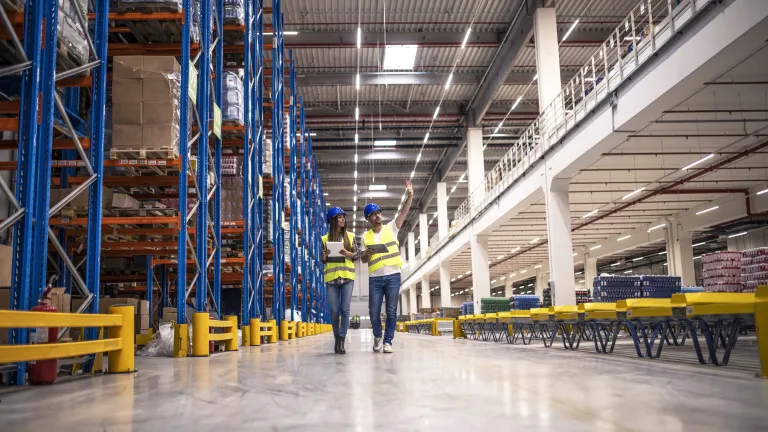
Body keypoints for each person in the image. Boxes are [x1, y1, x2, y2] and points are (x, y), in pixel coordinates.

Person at [361, 180, 414, 353]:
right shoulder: (365, 237)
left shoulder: (392, 227)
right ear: (368, 219)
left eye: (378, 213)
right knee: (374, 311)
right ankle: (377, 336)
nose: (377, 216)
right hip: (375, 278)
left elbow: (404, 212)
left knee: (391, 311)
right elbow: (363, 259)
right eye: (373, 214)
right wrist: (367, 254)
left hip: (393, 275)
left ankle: (388, 342)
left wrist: (410, 195)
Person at [321, 207, 359, 354]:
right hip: (331, 279)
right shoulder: (324, 239)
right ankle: (336, 338)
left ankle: (342, 340)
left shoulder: (350, 236)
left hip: (347, 277)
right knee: (334, 311)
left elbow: (356, 256)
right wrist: (324, 256)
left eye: (343, 217)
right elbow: (323, 260)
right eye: (339, 217)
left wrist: (348, 253)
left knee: (345, 309)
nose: (343, 219)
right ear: (332, 220)